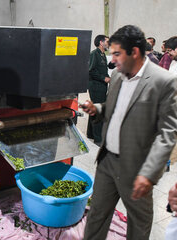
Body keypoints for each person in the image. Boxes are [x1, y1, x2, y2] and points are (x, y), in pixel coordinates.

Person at [81, 25, 177, 240]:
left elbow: (167, 133)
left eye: (117, 54)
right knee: (97, 214)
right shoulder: (116, 75)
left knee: (138, 222)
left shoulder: (163, 81)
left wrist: (149, 173)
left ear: (134, 52)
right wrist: (97, 109)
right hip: (107, 162)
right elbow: (113, 108)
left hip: (137, 168)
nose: (112, 60)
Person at [87, 35, 110, 146]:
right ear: (101, 42)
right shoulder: (94, 54)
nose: (108, 44)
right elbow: (90, 71)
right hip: (96, 86)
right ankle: (98, 139)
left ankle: (91, 134)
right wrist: (104, 78)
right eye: (107, 41)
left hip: (101, 87)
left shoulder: (102, 55)